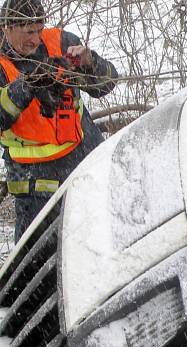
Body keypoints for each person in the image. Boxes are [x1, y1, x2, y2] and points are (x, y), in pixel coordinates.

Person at [0, 0, 117, 241]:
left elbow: (107, 84)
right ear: (6, 27)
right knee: (38, 266)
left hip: (87, 169)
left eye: (39, 30)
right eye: (28, 32)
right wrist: (27, 86)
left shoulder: (61, 41)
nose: (35, 39)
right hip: (36, 193)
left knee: (103, 246)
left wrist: (89, 63)